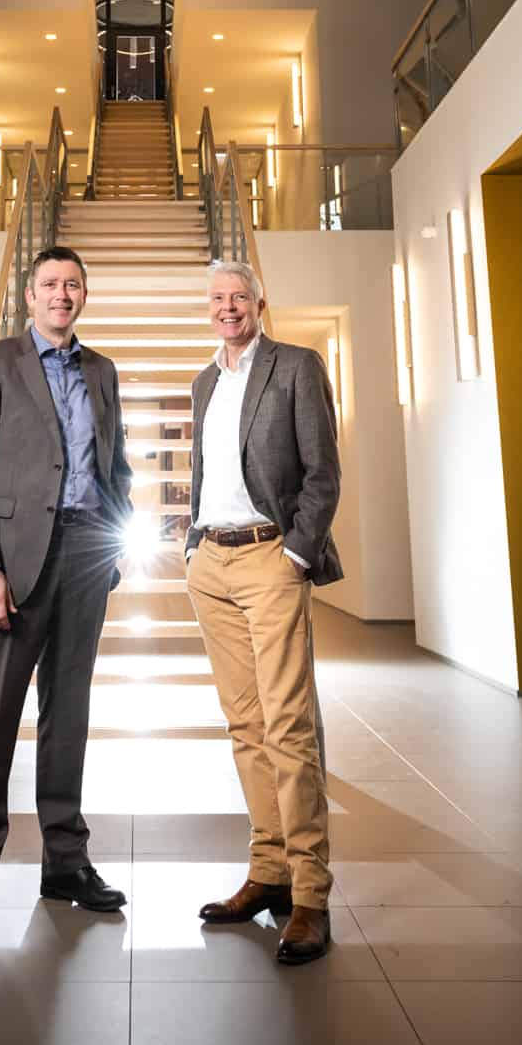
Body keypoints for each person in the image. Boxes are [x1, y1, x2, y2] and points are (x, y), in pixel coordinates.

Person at [0, 245, 133, 942]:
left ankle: (66, 863)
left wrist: (115, 539)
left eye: (73, 284)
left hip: (85, 558)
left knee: (67, 716)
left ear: (84, 295)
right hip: (12, 569)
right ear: (30, 294)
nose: (62, 294)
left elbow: (116, 464)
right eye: (50, 283)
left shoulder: (101, 370)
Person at [185, 258, 343, 966]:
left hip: (270, 558)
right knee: (245, 726)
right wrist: (193, 545)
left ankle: (309, 894)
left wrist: (296, 554)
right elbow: (206, 472)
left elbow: (322, 473)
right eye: (218, 298)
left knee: (287, 725)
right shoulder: (205, 382)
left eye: (239, 297)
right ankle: (268, 869)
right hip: (211, 567)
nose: (228, 307)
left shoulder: (296, 367)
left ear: (259, 303)